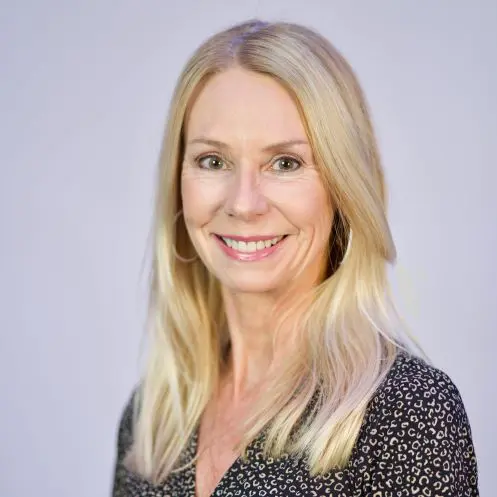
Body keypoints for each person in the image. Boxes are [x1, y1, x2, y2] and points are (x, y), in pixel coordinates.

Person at [111, 19, 479, 497]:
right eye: (212, 161)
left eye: (285, 163)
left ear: (343, 188)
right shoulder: (150, 422)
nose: (244, 203)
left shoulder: (407, 412)